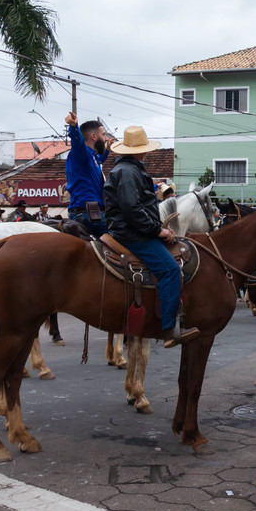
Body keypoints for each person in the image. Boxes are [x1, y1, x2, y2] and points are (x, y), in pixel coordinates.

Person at [103, 125, 197, 347]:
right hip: (131, 233)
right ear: (141, 150)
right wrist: (157, 230)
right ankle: (169, 329)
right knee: (170, 270)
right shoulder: (128, 172)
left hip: (132, 229)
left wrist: (160, 229)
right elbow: (132, 209)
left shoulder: (128, 169)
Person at [65, 112, 111, 237]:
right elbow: (77, 142)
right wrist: (74, 127)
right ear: (93, 136)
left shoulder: (92, 156)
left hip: (89, 212)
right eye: (103, 134)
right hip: (88, 213)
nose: (106, 138)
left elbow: (99, 160)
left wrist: (107, 150)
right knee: (126, 232)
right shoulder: (81, 152)